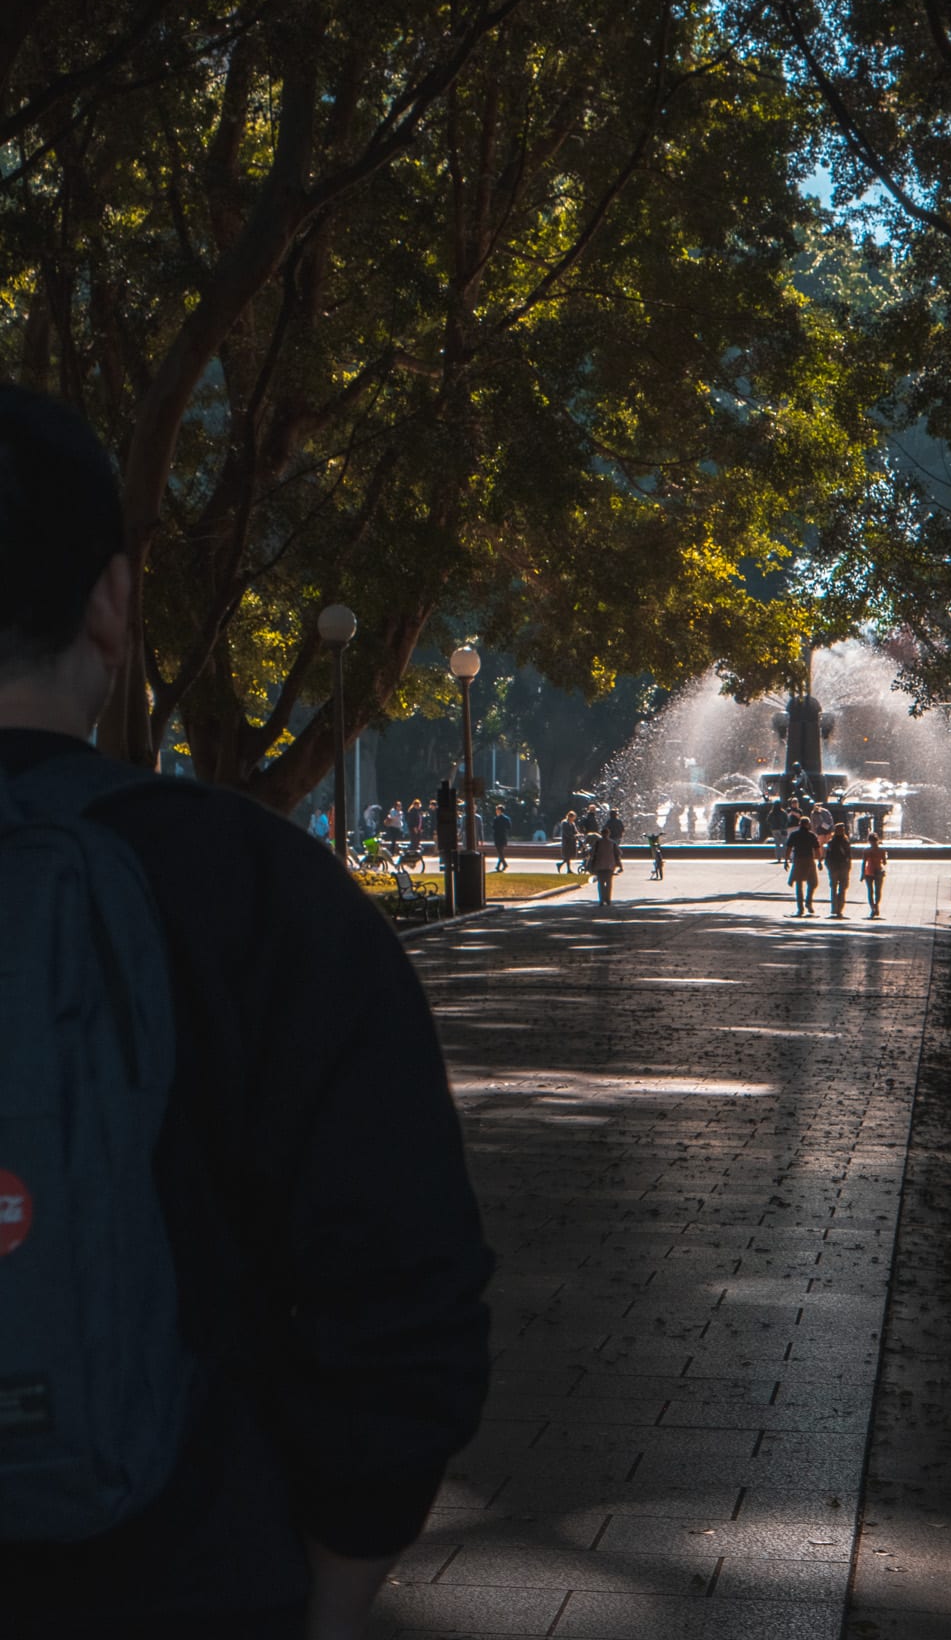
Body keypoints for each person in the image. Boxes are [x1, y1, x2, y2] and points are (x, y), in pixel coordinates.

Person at [0, 387, 493, 1640]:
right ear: (112, 602)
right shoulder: (249, 887)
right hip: (181, 1573)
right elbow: (401, 1281)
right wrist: (329, 1590)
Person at [784, 815, 822, 916]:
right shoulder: (812, 835)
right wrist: (819, 861)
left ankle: (800, 908)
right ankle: (808, 902)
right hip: (809, 860)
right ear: (808, 824)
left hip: (798, 860)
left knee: (799, 885)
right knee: (813, 883)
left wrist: (786, 860)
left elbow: (788, 848)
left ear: (799, 824)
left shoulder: (794, 835)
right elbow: (817, 849)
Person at [586, 824, 622, 905]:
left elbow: (591, 853)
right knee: (609, 883)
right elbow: (618, 854)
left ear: (601, 834)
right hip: (610, 866)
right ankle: (608, 899)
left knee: (601, 883)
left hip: (599, 866)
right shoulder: (612, 843)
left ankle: (602, 899)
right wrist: (620, 865)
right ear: (608, 834)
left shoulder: (597, 843)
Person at [824, 821, 853, 917]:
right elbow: (849, 855)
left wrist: (827, 865)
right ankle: (839, 908)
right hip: (843, 866)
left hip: (833, 867)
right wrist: (849, 866)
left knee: (833, 887)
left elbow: (827, 855)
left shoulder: (831, 842)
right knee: (842, 888)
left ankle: (834, 907)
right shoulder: (845, 842)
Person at [862, 833, 889, 918]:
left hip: (869, 871)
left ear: (869, 841)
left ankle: (873, 908)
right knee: (878, 891)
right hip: (878, 871)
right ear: (877, 840)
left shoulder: (866, 851)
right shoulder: (882, 851)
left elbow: (864, 863)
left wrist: (862, 874)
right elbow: (884, 862)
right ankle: (876, 905)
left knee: (870, 891)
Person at [491, 803, 511, 873]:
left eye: (497, 810)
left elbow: (493, 827)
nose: (496, 811)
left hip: (497, 837)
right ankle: (498, 866)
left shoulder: (496, 819)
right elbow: (509, 827)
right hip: (503, 836)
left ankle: (504, 864)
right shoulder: (506, 819)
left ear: (499, 810)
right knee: (500, 852)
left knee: (500, 852)